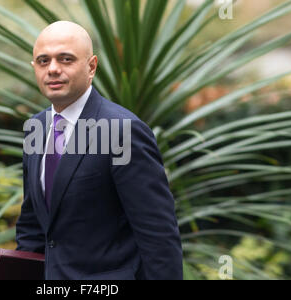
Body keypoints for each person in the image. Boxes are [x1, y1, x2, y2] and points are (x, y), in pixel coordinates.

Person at [16, 21, 183, 280]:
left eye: (66, 59)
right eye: (43, 61)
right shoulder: (35, 128)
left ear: (91, 66)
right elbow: (33, 227)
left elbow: (158, 237)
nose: (53, 69)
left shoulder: (123, 131)